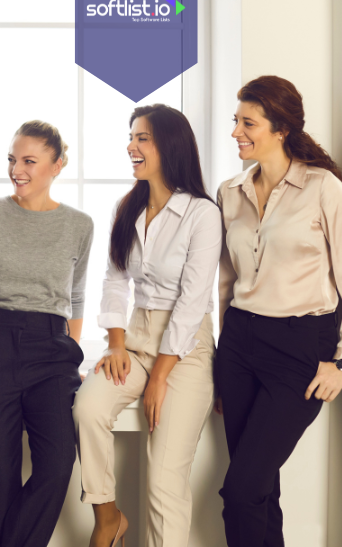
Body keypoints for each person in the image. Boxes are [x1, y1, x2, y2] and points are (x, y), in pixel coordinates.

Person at [215, 76, 342, 546]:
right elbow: (226, 284)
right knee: (260, 488)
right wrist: (223, 360)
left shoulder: (323, 188)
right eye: (235, 121)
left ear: (281, 128)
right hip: (239, 344)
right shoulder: (231, 192)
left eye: (248, 123)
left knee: (241, 491)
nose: (236, 132)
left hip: (300, 349)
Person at [72, 105, 221, 547]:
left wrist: (160, 377)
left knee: (164, 479)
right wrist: (115, 345)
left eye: (142, 138)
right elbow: (115, 281)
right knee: (87, 408)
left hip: (186, 351)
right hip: (135, 343)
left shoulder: (202, 214)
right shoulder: (127, 207)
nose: (131, 147)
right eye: (131, 137)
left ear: (170, 146)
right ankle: (108, 518)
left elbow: (192, 303)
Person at [0, 120, 94, 547]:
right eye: (12, 160)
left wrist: (72, 351)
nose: (17, 170)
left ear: (57, 165)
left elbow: (76, 296)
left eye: (29, 161)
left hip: (52, 349)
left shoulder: (79, 224)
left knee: (58, 463)